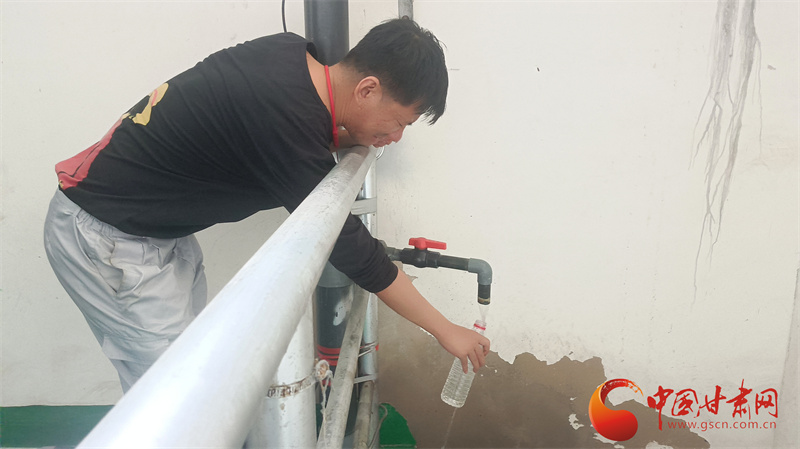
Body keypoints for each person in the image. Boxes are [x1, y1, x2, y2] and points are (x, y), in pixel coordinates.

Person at [43, 18, 490, 393]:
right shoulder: (283, 115)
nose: (395, 137)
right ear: (367, 89)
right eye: (397, 122)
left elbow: (299, 136)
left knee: (189, 375)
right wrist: (444, 329)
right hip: (106, 237)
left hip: (153, 232)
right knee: (169, 398)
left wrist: (354, 135)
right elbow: (353, 249)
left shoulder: (288, 57)